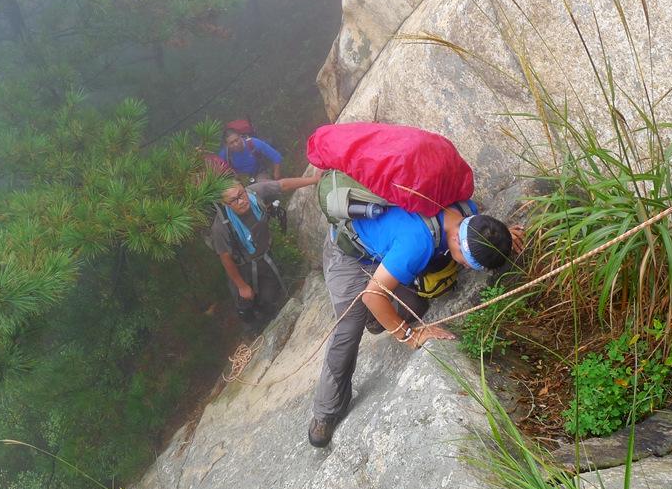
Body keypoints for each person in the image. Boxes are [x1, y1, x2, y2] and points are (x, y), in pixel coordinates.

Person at [308, 203, 524, 448]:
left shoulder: (466, 211)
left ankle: (376, 318)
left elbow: (483, 232)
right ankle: (325, 412)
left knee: (415, 305)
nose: (465, 266)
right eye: (467, 261)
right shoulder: (417, 244)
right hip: (350, 252)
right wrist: (409, 335)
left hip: (385, 247)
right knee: (349, 329)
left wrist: (499, 239)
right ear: (457, 237)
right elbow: (372, 295)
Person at [211, 174, 318, 329]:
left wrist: (314, 179)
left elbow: (283, 184)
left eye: (241, 194)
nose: (241, 201)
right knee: (245, 301)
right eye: (234, 200)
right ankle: (252, 327)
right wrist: (241, 286)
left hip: (265, 258)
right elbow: (225, 258)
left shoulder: (254, 193)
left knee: (269, 295)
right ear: (225, 204)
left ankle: (270, 321)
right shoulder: (221, 227)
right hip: (242, 268)